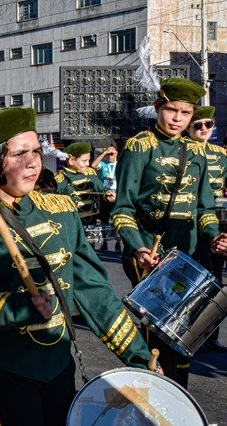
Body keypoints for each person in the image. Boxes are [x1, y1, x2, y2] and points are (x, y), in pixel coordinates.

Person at [0, 107, 155, 425]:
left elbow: (93, 291)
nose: (32, 162)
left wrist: (138, 357)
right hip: (3, 368)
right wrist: (19, 308)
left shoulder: (60, 211)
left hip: (57, 361)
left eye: (36, 151)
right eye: (19, 154)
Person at [111, 78, 227, 387]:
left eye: (185, 113)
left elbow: (204, 208)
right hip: (150, 254)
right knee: (160, 333)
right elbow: (122, 209)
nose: (177, 119)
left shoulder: (196, 151)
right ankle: (155, 395)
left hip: (188, 255)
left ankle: (177, 397)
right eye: (171, 110)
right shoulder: (139, 146)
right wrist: (137, 247)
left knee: (185, 334)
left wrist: (215, 236)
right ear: (158, 107)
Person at [187, 106, 227, 352]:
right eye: (198, 125)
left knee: (214, 279)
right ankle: (185, 334)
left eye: (208, 124)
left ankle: (210, 336)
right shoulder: (180, 151)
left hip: (215, 224)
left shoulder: (221, 155)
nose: (203, 129)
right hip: (186, 225)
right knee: (190, 280)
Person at [55, 141, 115, 225]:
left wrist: (108, 194)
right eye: (84, 161)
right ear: (72, 160)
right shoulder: (60, 179)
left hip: (91, 223)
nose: (87, 164)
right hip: (71, 224)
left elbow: (102, 189)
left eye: (88, 160)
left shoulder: (90, 174)